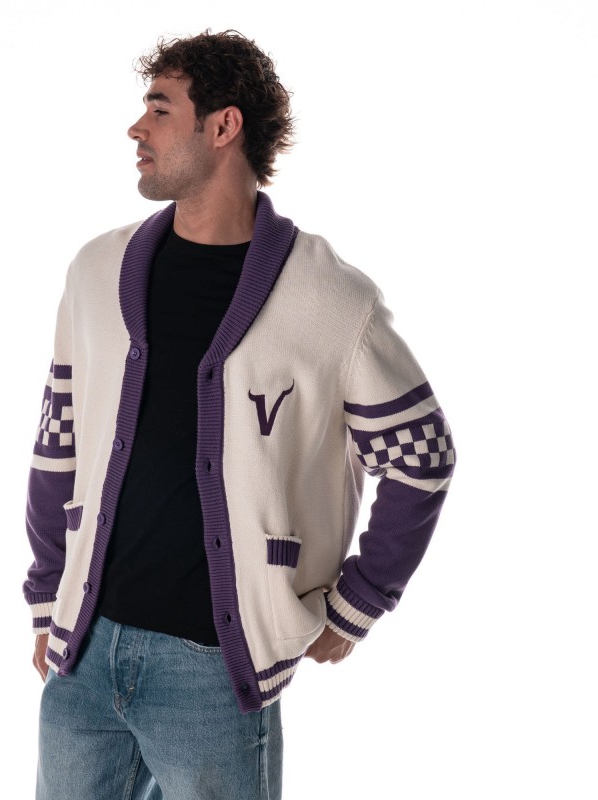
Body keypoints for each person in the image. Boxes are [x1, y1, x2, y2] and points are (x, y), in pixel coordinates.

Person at [22, 30, 455, 800]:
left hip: (214, 674)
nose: (137, 128)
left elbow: (422, 457)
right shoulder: (96, 271)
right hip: (83, 655)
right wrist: (48, 595)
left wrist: (358, 603)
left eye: (161, 109)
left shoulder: (329, 299)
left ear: (224, 126)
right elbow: (58, 443)